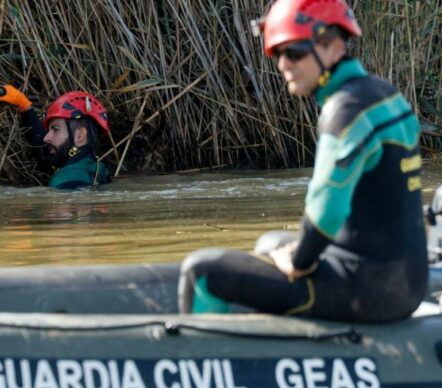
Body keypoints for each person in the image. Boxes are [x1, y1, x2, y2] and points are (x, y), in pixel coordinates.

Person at [178, 0, 427, 322]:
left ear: (334, 47)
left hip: (365, 292)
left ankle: (214, 367)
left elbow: (327, 212)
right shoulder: (385, 94)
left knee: (201, 271)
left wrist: (299, 263)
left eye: (295, 52)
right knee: (271, 243)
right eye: (277, 53)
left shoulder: (345, 111)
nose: (284, 64)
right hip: (408, 285)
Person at [0, 86, 111, 189]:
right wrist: (25, 106)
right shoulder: (98, 169)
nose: (46, 138)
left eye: (55, 129)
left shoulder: (66, 178)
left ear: (80, 135)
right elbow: (43, 149)